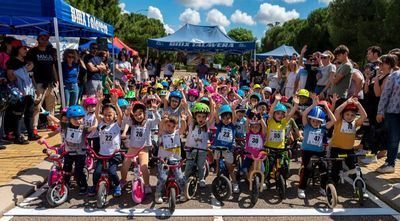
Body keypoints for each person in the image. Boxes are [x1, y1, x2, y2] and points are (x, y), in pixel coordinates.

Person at [297, 95, 336, 199]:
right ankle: (301, 188)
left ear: (321, 121)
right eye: (313, 120)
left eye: (318, 121)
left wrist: (327, 108)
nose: (315, 123)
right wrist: (313, 105)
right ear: (310, 120)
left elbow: (334, 121)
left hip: (319, 153)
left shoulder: (323, 128)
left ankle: (323, 188)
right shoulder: (307, 126)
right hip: (307, 152)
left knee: (325, 169)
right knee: (308, 168)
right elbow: (304, 115)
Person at [121, 100, 161, 195]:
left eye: (140, 114)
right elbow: (126, 122)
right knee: (124, 166)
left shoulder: (148, 122)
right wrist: (127, 114)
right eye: (136, 115)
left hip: (144, 148)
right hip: (133, 147)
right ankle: (123, 180)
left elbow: (158, 120)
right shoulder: (132, 122)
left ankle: (147, 185)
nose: (138, 116)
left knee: (144, 167)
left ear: (144, 113)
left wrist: (155, 111)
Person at [88, 94, 123, 197]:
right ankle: (94, 186)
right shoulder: (101, 123)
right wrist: (99, 102)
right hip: (102, 154)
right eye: (105, 115)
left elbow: (121, 115)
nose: (107, 117)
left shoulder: (117, 124)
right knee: (97, 172)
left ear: (114, 116)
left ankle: (117, 185)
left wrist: (116, 104)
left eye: (110, 115)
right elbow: (96, 113)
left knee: (112, 172)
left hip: (114, 154)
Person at [6, 40, 41, 144]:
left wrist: (35, 89)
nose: (26, 50)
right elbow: (11, 78)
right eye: (24, 48)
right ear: (17, 49)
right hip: (18, 93)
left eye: (27, 48)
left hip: (29, 91)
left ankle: (31, 134)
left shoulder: (26, 61)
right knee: (17, 114)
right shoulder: (12, 62)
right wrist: (22, 70)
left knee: (29, 113)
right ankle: (17, 136)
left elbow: (31, 76)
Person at [27, 31, 59, 134]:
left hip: (51, 83)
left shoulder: (51, 52)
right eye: (42, 38)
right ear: (38, 39)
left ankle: (51, 124)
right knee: (37, 106)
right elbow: (30, 68)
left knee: (51, 105)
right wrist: (34, 84)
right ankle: (34, 126)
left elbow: (53, 67)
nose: (44, 40)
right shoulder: (33, 52)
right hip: (39, 82)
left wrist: (57, 80)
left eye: (46, 38)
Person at [330, 97, 367, 184]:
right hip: (336, 148)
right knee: (336, 168)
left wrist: (358, 104)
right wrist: (346, 102)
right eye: (347, 114)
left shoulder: (355, 123)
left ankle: (360, 186)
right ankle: (332, 186)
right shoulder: (338, 121)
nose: (350, 117)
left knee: (355, 168)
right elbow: (337, 111)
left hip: (349, 150)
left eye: (352, 115)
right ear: (343, 115)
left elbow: (364, 116)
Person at [376, 54, 399, 174]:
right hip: (394, 112)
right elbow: (385, 95)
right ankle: (390, 164)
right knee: (393, 139)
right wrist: (380, 111)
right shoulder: (395, 75)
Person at [155, 115, 187, 203]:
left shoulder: (176, 133)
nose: (170, 128)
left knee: (180, 177)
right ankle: (158, 193)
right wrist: (164, 120)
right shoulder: (162, 133)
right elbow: (161, 126)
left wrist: (183, 120)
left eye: (173, 126)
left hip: (175, 160)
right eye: (168, 125)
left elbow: (183, 128)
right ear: (165, 125)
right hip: (163, 160)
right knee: (162, 177)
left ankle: (183, 192)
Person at [184, 102, 214, 188]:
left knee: (201, 166)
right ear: (195, 116)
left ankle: (201, 179)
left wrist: (211, 103)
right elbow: (188, 112)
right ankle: (185, 178)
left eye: (204, 117)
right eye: (199, 116)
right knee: (188, 165)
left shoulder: (207, 125)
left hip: (202, 150)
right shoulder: (192, 124)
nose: (201, 118)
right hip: (190, 149)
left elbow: (212, 116)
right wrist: (186, 106)